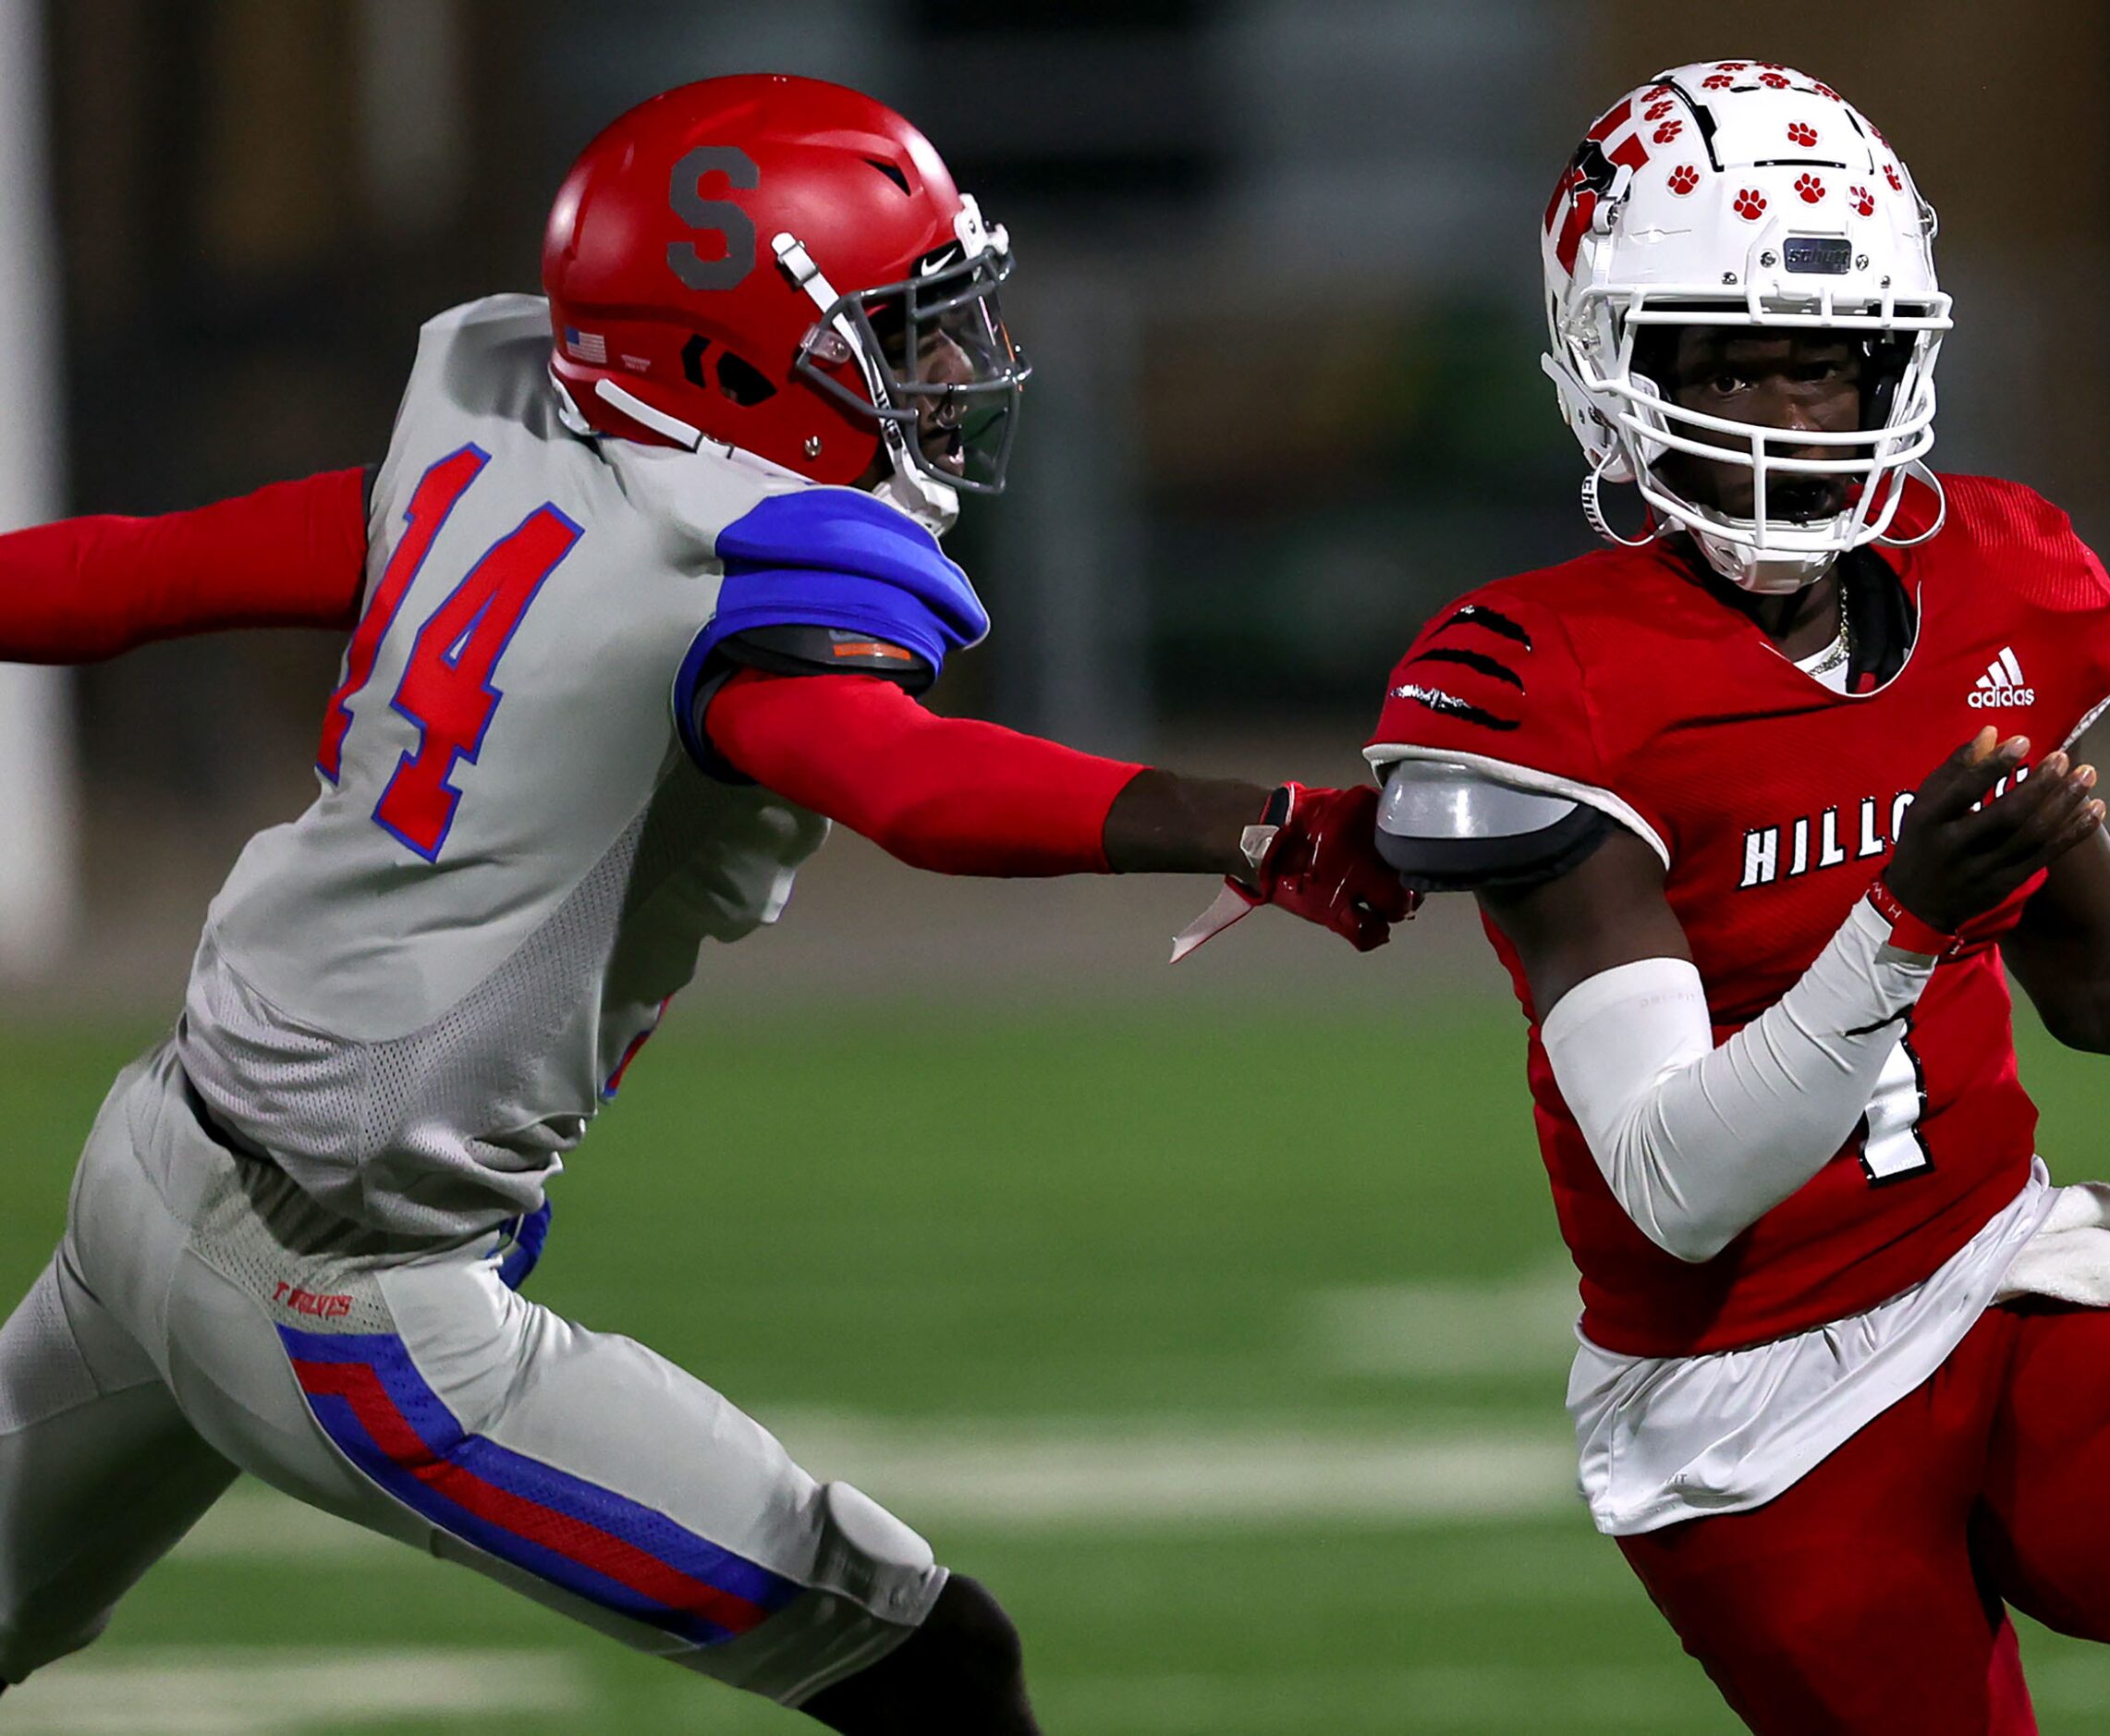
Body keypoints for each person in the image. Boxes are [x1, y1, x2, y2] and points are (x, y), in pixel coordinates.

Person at [0, 75, 1409, 1733]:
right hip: (348, 1302)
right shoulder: (723, 577)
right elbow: (914, 787)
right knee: (930, 1659)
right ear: (738, 361)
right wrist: (1257, 826)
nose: (954, 370)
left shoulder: (503, 454)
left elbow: (133, 574)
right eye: (902, 328)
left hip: (153, 1160)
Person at [1367, 59, 2110, 1736]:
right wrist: (1896, 925)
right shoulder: (1550, 680)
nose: (1789, 417)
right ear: (1610, 362)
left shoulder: (1995, 586)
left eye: (1832, 367)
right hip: (1747, 1405)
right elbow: (1675, 1182)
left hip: (2001, 1272)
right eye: (1731, 361)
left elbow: (2102, 974)